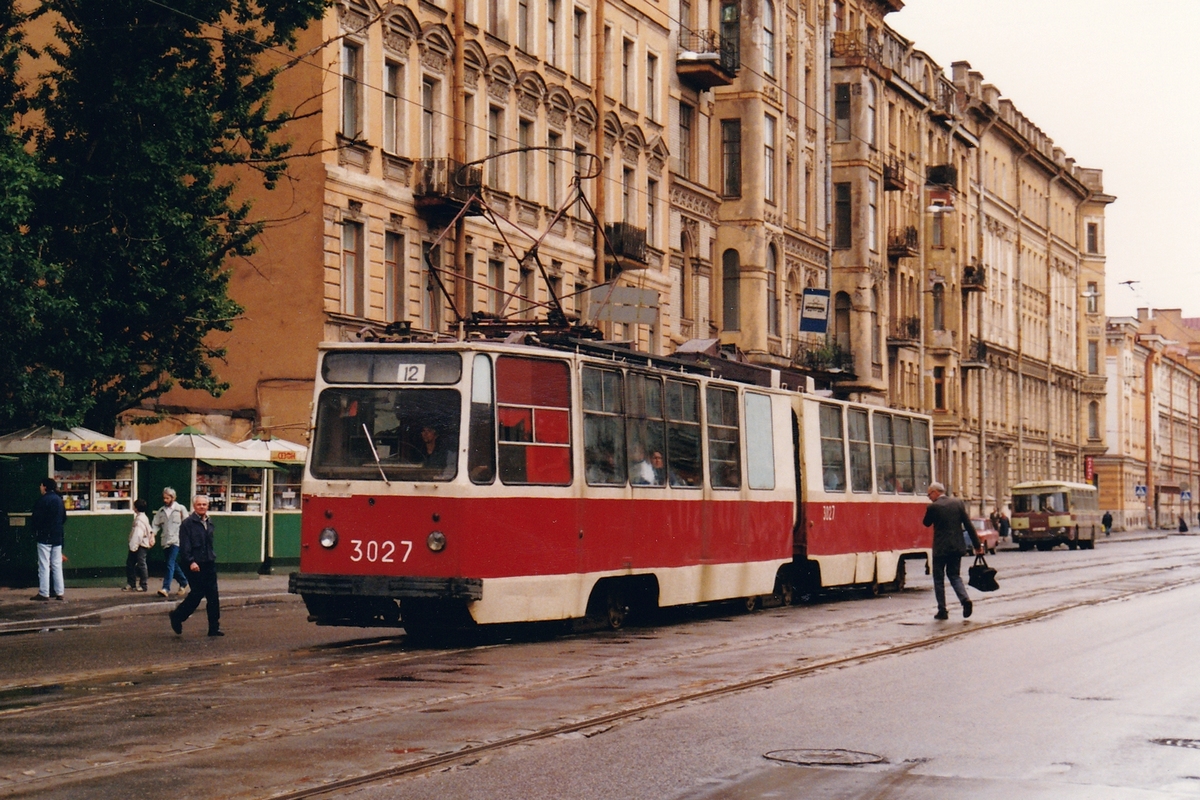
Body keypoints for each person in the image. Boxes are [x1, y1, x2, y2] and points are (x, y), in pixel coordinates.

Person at [922, 482, 983, 621]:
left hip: (940, 549)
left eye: (929, 494)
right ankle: (965, 599)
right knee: (954, 575)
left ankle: (942, 610)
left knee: (938, 579)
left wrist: (929, 509)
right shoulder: (958, 503)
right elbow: (969, 525)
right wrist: (977, 545)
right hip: (956, 547)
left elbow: (926, 523)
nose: (929, 497)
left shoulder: (933, 507)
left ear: (935, 492)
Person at [168, 495, 223, 637]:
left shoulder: (209, 522)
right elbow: (185, 545)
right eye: (199, 504)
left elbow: (209, 544)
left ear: (208, 506)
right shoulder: (187, 523)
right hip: (194, 564)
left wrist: (212, 556)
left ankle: (214, 628)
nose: (202, 507)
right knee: (197, 594)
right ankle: (177, 616)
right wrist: (191, 561)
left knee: (213, 595)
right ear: (194, 506)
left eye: (204, 504)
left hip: (208, 562)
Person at [30, 478, 66, 602]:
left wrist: (36, 532)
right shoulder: (59, 500)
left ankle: (44, 592)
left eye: (41, 485)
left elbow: (36, 519)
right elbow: (64, 518)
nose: (40, 488)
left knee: (44, 565)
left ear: (45, 487)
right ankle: (59, 592)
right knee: (56, 565)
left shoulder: (42, 501)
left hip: (44, 537)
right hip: (57, 536)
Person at [153, 487, 190, 597]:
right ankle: (184, 582)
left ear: (173, 498)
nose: (165, 500)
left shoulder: (180, 509)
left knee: (170, 563)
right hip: (165, 541)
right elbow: (155, 524)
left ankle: (166, 588)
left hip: (177, 540)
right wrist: (152, 535)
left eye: (167, 498)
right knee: (172, 563)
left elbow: (187, 524)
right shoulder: (161, 511)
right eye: (164, 498)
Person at [124, 498, 154, 592]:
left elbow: (137, 535)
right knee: (138, 564)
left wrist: (133, 546)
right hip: (142, 544)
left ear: (136, 508)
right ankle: (138, 584)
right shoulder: (144, 517)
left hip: (140, 544)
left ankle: (139, 584)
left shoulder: (139, 520)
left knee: (136, 564)